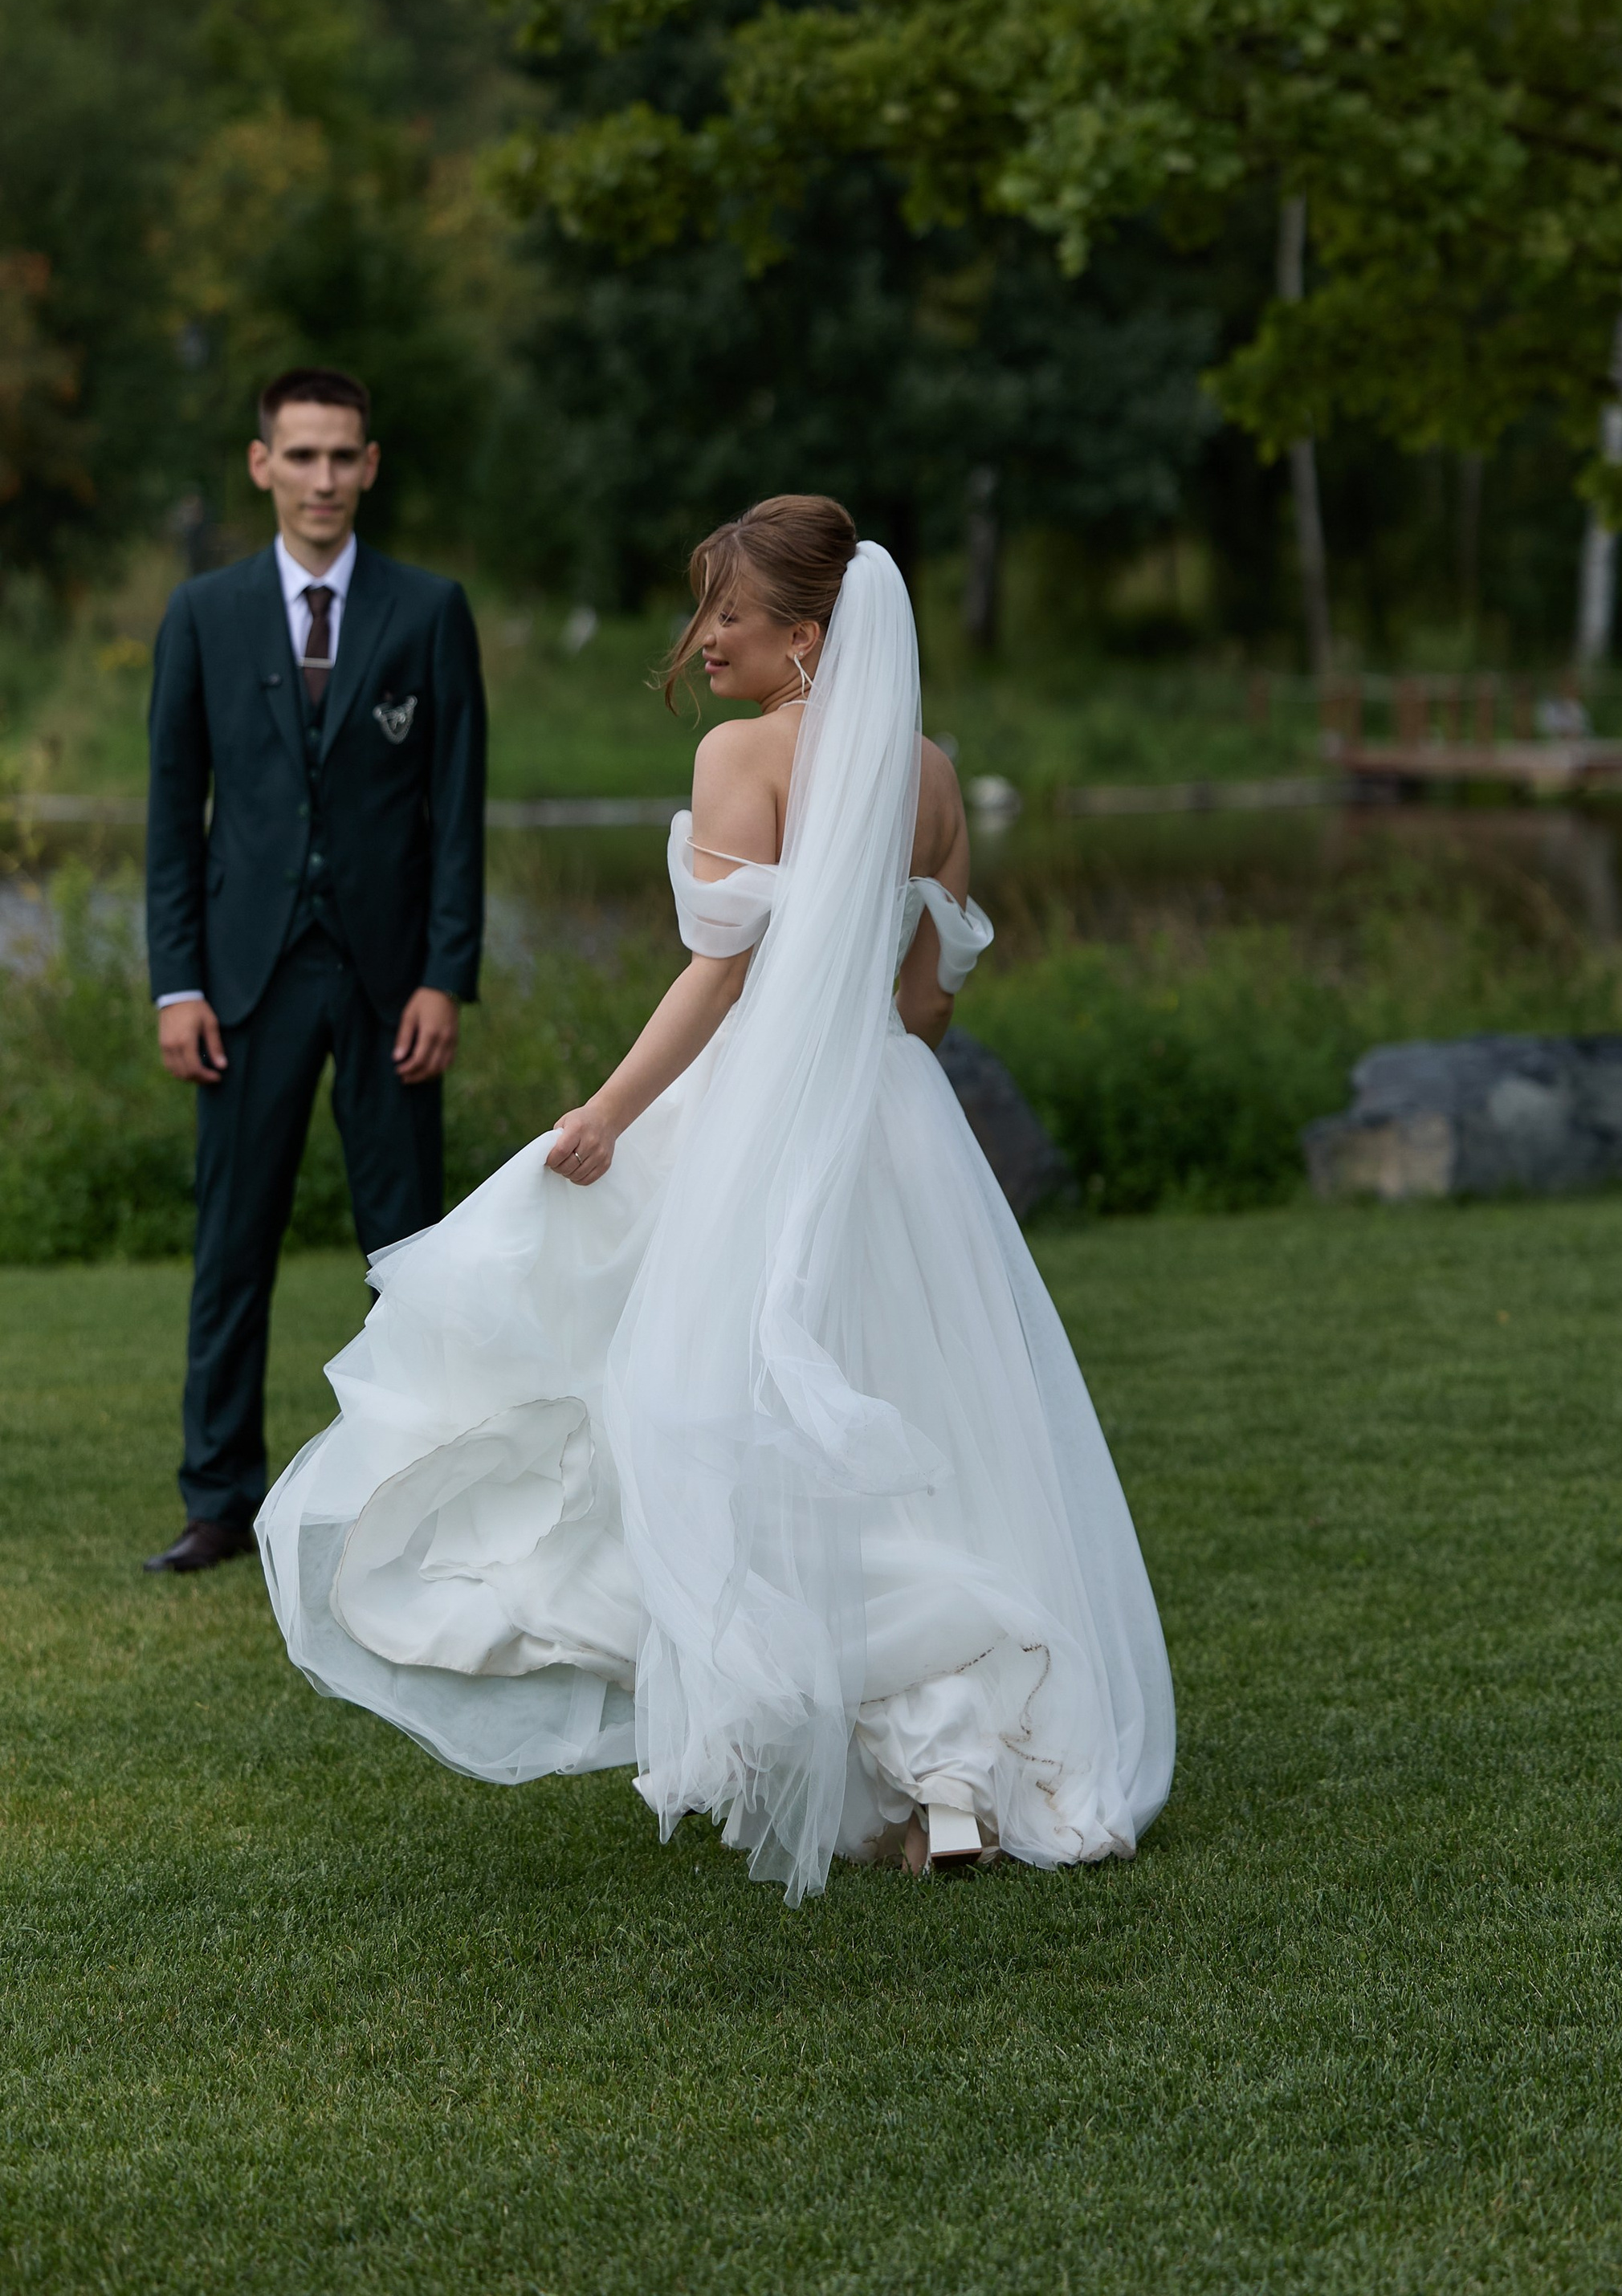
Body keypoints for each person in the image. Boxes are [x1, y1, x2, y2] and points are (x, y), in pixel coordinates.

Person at [257, 496, 1173, 1897]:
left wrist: (608, 1114)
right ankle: (951, 1781)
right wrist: (869, 1052)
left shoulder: (741, 756)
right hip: (895, 1126)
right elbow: (929, 1000)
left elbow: (719, 973)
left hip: (767, 1122)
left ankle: (847, 1725)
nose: (703, 641)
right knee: (921, 1427)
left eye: (727, 616)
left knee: (708, 1414)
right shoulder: (929, 777)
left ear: (805, 636)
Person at [143, 368, 487, 1575]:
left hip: (395, 982)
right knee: (233, 1242)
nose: (324, 480)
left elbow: (457, 812)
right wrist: (175, 983)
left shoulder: (429, 610)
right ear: (262, 466)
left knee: (410, 1250)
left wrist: (449, 973)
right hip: (244, 981)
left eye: (344, 457)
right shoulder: (203, 615)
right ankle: (218, 1497)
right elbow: (170, 816)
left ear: (372, 466)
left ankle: (416, 1488)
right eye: (302, 457)